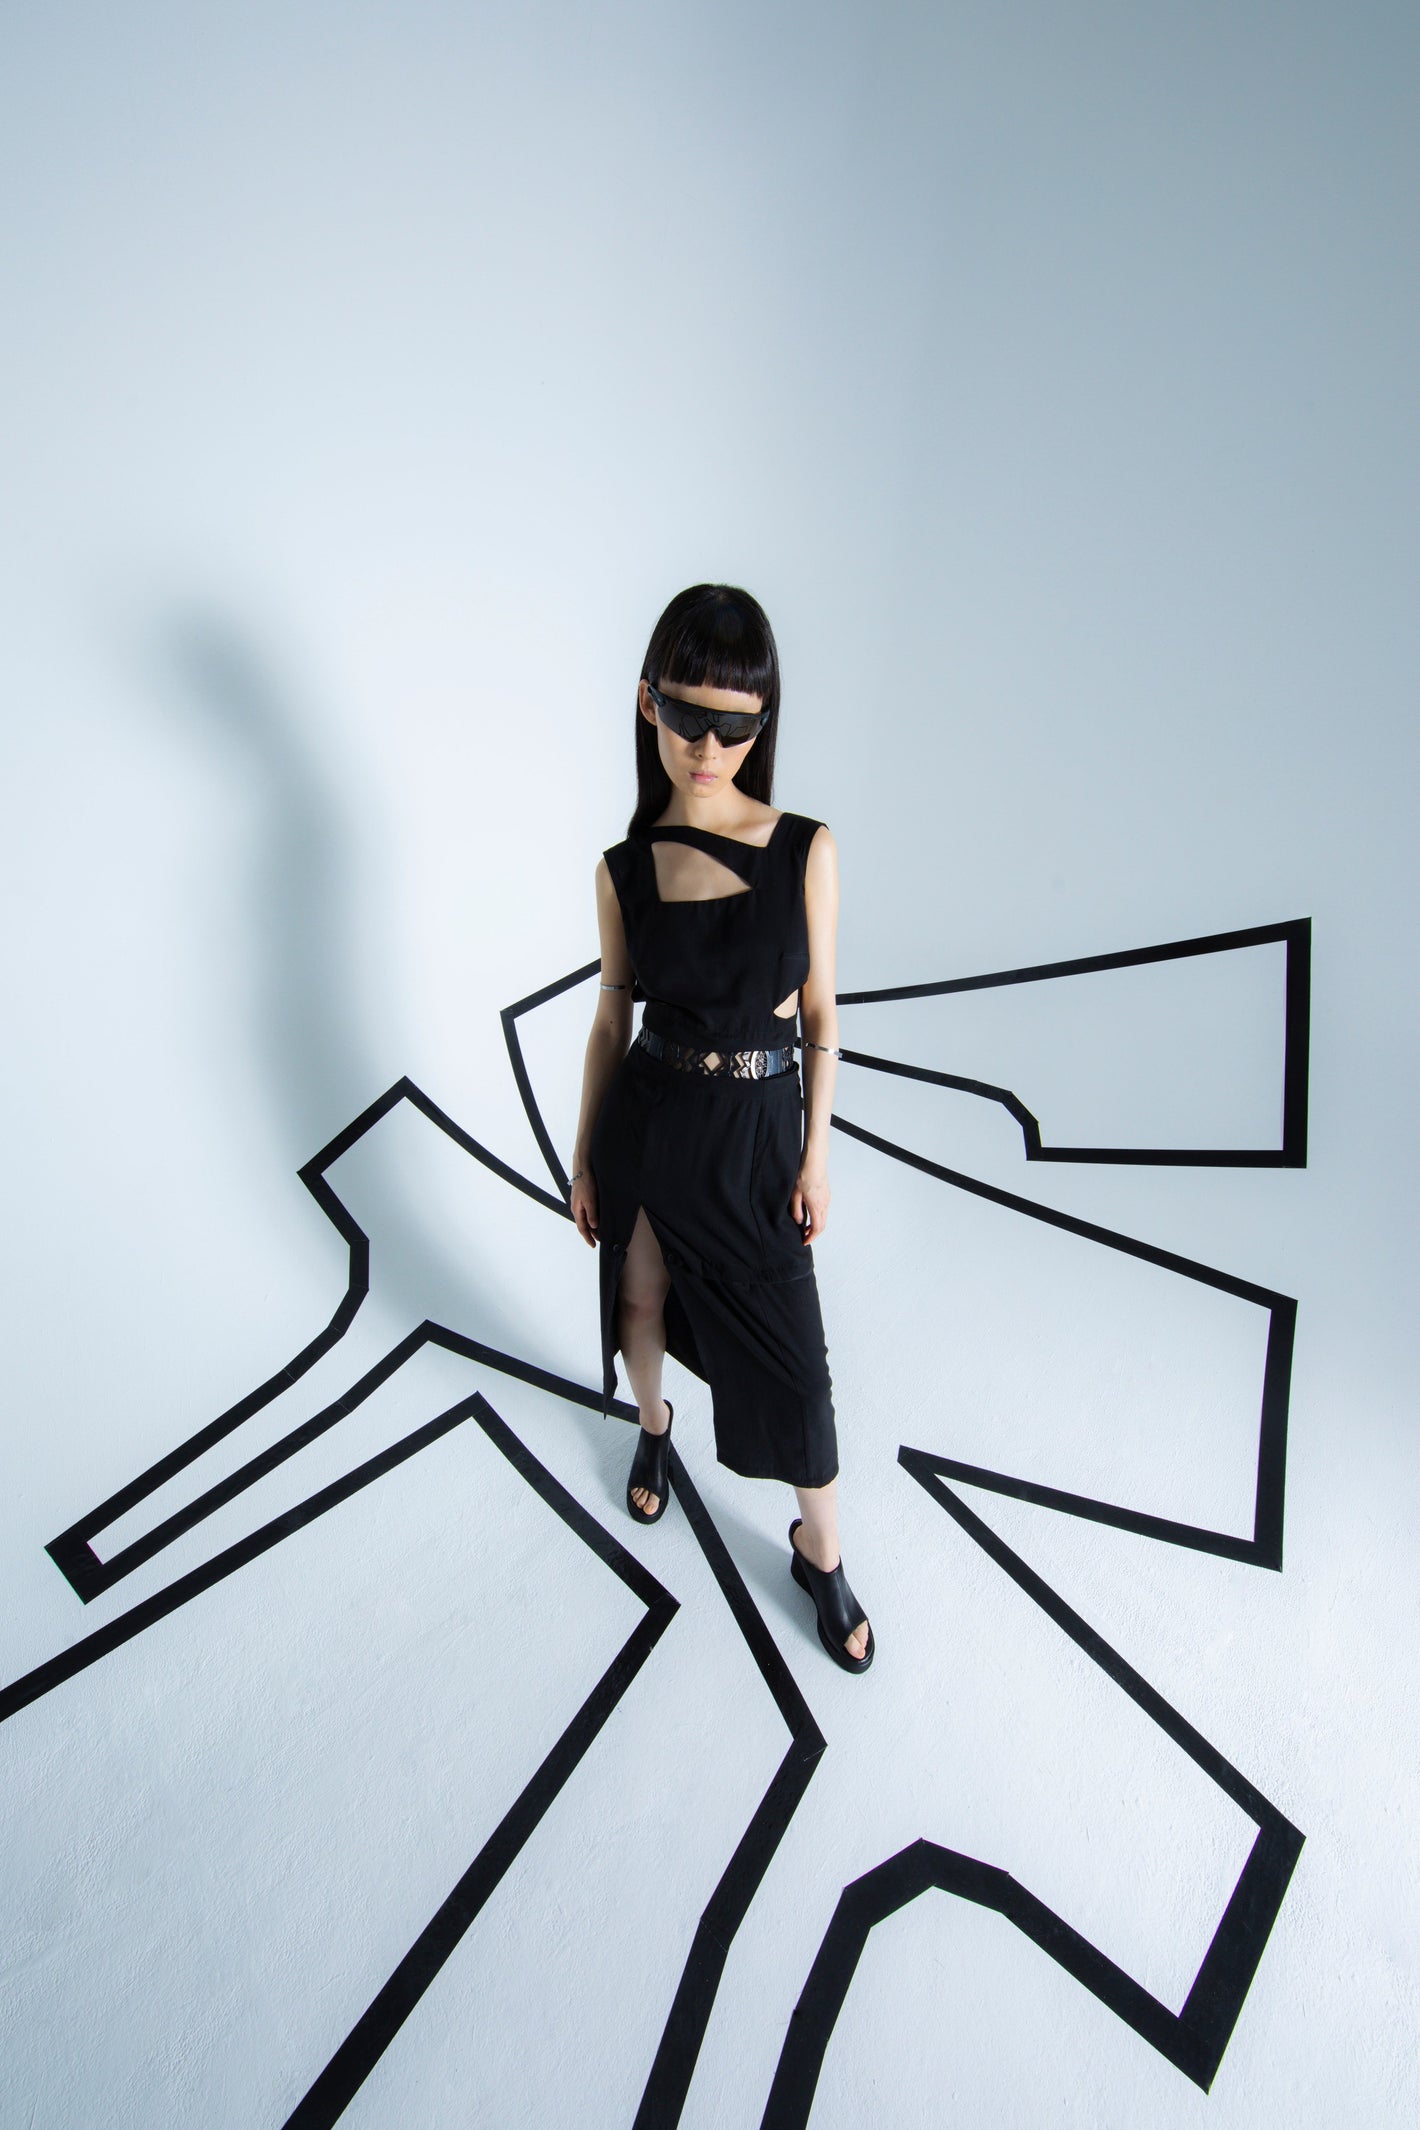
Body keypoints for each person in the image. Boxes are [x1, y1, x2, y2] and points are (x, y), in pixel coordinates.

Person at [567, 584, 874, 1673]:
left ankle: (820, 1549)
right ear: (647, 703)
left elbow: (824, 1015)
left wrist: (817, 1155)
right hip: (651, 1125)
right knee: (640, 1301)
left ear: (763, 723)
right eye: (688, 717)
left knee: (799, 1373)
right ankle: (654, 1432)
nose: (708, 748)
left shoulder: (804, 849)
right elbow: (611, 1018)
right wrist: (582, 1155)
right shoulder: (622, 869)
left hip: (756, 1137)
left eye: (736, 726)